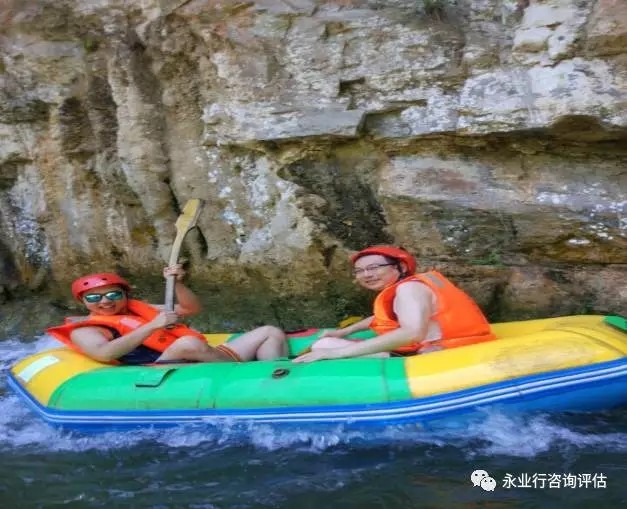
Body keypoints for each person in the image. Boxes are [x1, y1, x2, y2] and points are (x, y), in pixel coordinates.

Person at [47, 265, 287, 365]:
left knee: (270, 332)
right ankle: (247, 374)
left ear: (125, 295)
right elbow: (104, 353)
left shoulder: (138, 310)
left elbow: (190, 309)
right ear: (83, 302)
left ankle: (276, 372)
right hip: (161, 369)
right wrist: (152, 326)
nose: (105, 301)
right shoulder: (86, 330)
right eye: (94, 298)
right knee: (187, 343)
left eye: (113, 294)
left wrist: (178, 284)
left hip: (203, 357)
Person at [293, 245, 495, 363]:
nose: (366, 275)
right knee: (330, 342)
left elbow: (412, 332)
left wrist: (334, 353)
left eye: (374, 267)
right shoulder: (413, 286)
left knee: (323, 345)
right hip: (465, 341)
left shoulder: (409, 289)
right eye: (360, 271)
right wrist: (344, 332)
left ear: (401, 267)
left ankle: (386, 357)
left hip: (440, 351)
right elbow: (386, 317)